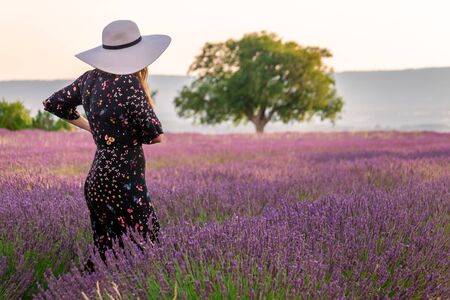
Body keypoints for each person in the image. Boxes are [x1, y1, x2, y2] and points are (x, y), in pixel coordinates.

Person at [42, 20, 171, 274]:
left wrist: (94, 129)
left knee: (105, 252)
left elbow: (53, 103)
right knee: (149, 249)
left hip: (98, 179)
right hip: (126, 181)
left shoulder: (89, 79)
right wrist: (132, 136)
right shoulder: (131, 84)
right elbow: (155, 134)